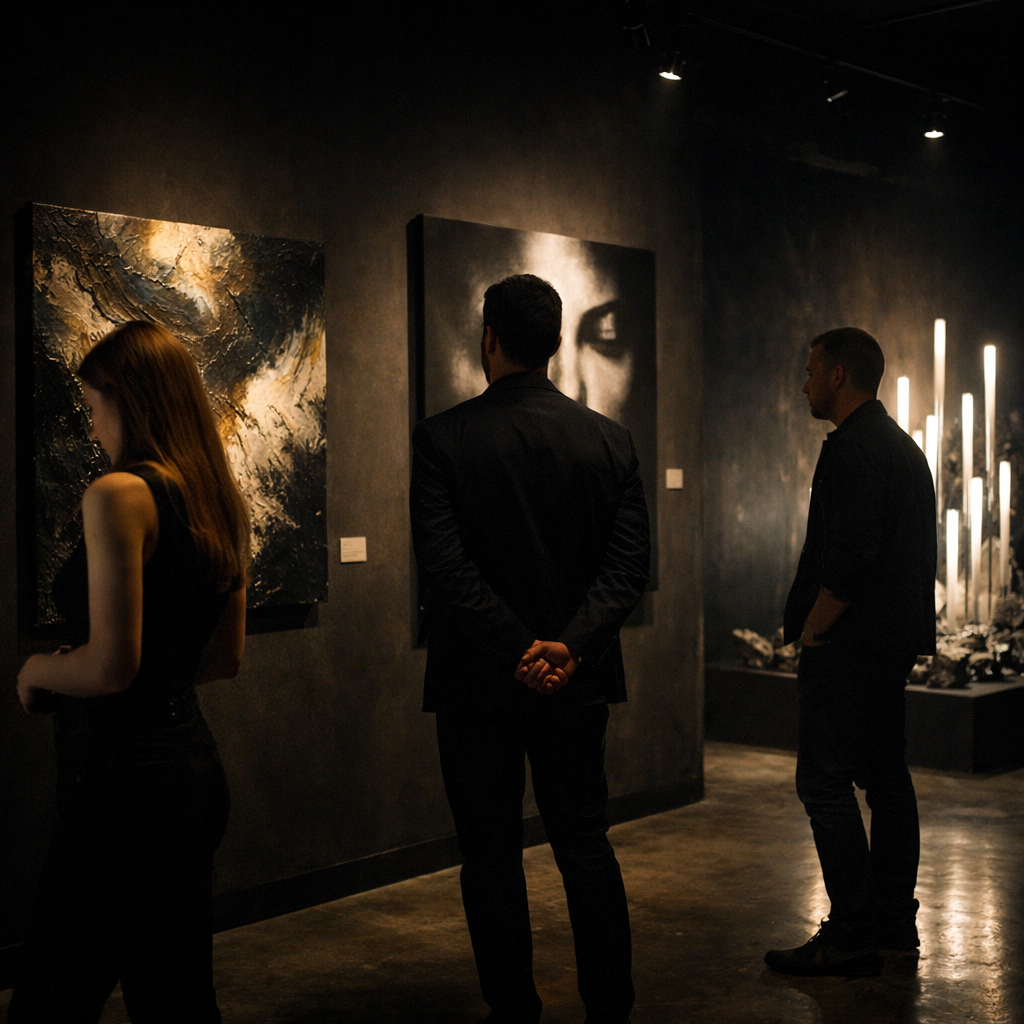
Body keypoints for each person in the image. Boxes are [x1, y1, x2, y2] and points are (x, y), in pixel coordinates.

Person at [410, 274, 650, 1024]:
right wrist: (568, 648)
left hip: (478, 683)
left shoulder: (443, 438)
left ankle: (513, 1004)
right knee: (583, 844)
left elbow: (444, 567)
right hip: (574, 685)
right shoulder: (609, 439)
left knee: (489, 854)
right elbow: (627, 569)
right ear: (552, 343)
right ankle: (610, 1004)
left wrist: (517, 648)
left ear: (489, 339)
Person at [11, 321, 250, 1022]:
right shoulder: (215, 496)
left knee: (50, 998)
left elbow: (114, 668)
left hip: (120, 783)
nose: (91, 426)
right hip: (190, 772)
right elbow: (222, 659)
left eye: (92, 406)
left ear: (126, 397)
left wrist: (39, 671)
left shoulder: (118, 494)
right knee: (174, 993)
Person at [765, 328, 937, 978]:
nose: (804, 383)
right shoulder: (899, 448)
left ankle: (852, 930)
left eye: (811, 370)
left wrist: (814, 628)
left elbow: (855, 556)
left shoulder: (852, 451)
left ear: (839, 376)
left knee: (825, 782)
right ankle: (893, 924)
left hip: (849, 648)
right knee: (887, 779)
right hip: (886, 648)